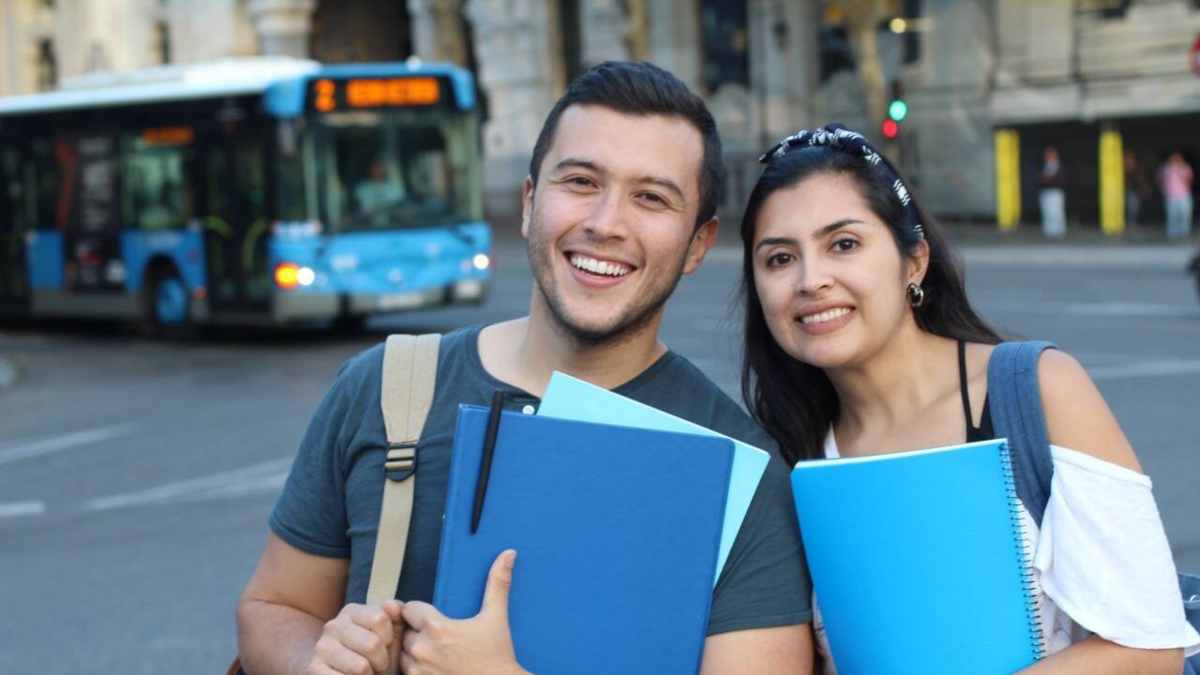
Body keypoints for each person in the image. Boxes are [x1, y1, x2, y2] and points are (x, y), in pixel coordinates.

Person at [236, 62, 815, 675]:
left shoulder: (739, 468)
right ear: (530, 201)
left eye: (651, 197)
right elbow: (274, 604)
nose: (605, 223)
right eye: (581, 181)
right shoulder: (382, 387)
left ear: (699, 243)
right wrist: (314, 661)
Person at [738, 124, 1198, 673]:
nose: (811, 280)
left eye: (844, 244)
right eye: (779, 259)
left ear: (914, 261)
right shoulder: (790, 454)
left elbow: (1150, 648)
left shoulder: (1034, 389)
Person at [1158, 151, 1194, 240]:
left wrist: (1180, 170)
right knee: (1172, 215)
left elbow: (1190, 179)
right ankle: (1172, 233)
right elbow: (1160, 179)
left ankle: (1184, 232)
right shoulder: (1166, 168)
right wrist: (1163, 190)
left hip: (1184, 194)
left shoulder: (1185, 167)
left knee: (1184, 214)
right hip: (1170, 195)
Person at [1039, 146, 1066, 239]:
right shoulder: (1044, 166)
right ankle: (1049, 231)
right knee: (1047, 211)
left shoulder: (1058, 166)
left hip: (1055, 191)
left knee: (1056, 211)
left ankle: (1058, 231)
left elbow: (1060, 178)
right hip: (1045, 191)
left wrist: (1049, 180)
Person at [1124, 150, 1151, 230]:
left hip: (1133, 191)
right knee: (1127, 206)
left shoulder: (1137, 169)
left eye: (1131, 158)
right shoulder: (1120, 168)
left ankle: (1132, 222)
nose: (1129, 160)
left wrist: (1145, 188)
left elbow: (1141, 180)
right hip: (1122, 191)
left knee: (1133, 207)